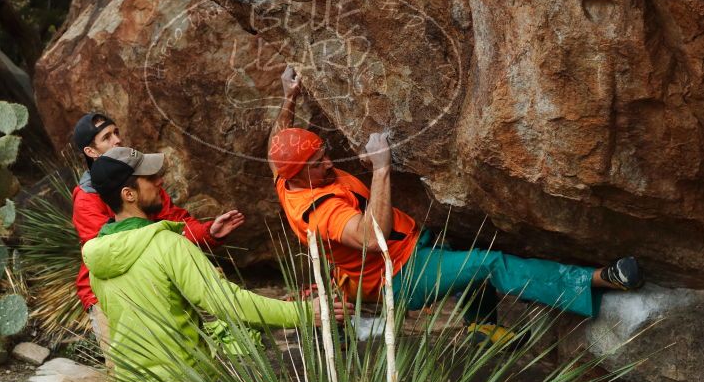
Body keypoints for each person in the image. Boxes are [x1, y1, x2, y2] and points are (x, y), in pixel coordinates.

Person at [267, 66, 644, 340]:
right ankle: (597, 280)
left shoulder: (286, 176)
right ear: (299, 175)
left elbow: (276, 141)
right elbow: (370, 238)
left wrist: (289, 96)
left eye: (324, 155)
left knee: (471, 253)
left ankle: (482, 327)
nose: (329, 164)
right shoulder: (320, 211)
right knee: (490, 264)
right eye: (317, 165)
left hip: (409, 248)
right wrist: (381, 170)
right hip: (397, 275)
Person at [82, 147, 351, 382]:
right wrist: (304, 312)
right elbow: (227, 302)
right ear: (129, 194)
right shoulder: (167, 245)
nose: (159, 181)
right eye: (150, 179)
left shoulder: (97, 257)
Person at [71, 113, 244, 382]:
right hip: (109, 293)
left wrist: (208, 232)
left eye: (117, 132)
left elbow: (176, 223)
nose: (117, 140)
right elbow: (112, 249)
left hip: (155, 282)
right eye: (107, 137)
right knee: (121, 372)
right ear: (91, 152)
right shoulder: (88, 198)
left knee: (177, 369)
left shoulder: (141, 181)